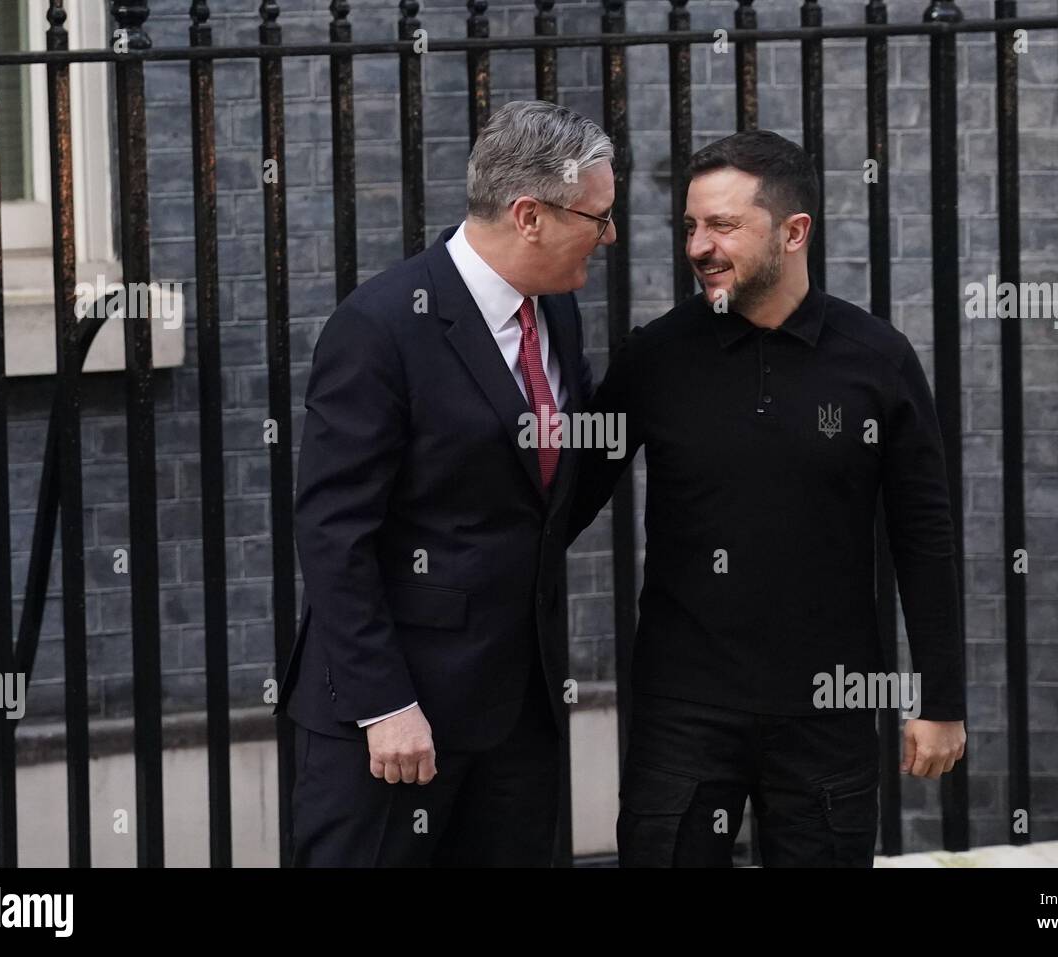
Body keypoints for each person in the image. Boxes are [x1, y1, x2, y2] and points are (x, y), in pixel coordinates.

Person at [569, 130, 966, 867]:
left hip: (831, 705)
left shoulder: (878, 360)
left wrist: (941, 699)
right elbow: (568, 501)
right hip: (682, 709)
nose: (698, 245)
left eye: (722, 225)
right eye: (690, 225)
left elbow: (925, 534)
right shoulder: (655, 357)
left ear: (794, 231)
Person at [278, 100, 615, 866]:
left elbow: (553, 491)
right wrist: (386, 705)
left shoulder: (557, 317)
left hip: (516, 718)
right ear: (530, 215)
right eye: (597, 217)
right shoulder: (382, 326)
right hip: (397, 725)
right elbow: (334, 534)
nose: (610, 234)